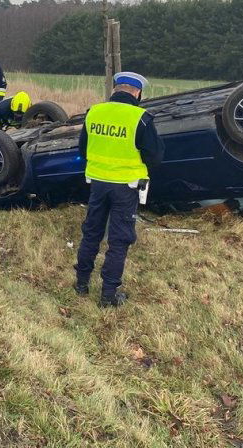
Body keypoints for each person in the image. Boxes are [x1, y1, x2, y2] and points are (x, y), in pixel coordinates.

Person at [73, 72, 164, 307]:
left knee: (91, 232)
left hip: (98, 184)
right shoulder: (141, 118)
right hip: (126, 187)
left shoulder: (94, 112)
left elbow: (83, 149)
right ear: (138, 93)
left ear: (115, 90)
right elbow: (154, 156)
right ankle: (108, 294)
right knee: (119, 239)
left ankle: (81, 283)